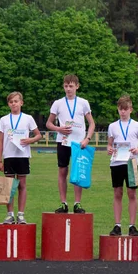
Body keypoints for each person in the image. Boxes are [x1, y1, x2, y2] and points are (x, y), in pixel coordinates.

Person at [46, 74, 96, 214]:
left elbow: (92, 123)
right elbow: (48, 123)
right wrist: (59, 129)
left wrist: (87, 139)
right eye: (66, 86)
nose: (68, 89)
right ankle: (63, 203)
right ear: (63, 87)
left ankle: (77, 204)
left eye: (71, 86)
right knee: (63, 171)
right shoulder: (58, 103)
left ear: (77, 86)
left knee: (78, 172)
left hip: (79, 143)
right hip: (63, 142)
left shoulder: (83, 103)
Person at [0, 92, 43, 224]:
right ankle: (9, 214)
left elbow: (38, 135)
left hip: (22, 155)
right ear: (8, 104)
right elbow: (0, 140)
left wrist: (30, 140)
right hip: (9, 156)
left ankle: (21, 214)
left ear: (21, 103)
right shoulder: (4, 120)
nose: (14, 104)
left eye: (16, 101)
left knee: (22, 184)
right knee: (9, 186)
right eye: (11, 102)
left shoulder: (28, 118)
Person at [107, 95, 138, 236]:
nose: (123, 112)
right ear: (118, 110)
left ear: (131, 109)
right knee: (117, 193)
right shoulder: (112, 126)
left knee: (132, 193)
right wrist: (109, 149)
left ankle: (132, 225)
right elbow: (109, 144)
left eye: (125, 109)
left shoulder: (137, 126)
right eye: (120, 109)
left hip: (132, 163)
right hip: (116, 162)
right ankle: (117, 225)